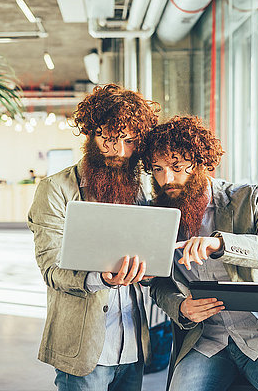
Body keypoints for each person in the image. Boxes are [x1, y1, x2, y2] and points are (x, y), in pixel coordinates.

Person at [141, 115, 258, 391]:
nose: (167, 179)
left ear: (200, 163)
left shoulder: (248, 197)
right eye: (158, 169)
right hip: (206, 341)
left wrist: (220, 245)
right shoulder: (155, 214)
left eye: (177, 166)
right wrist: (180, 307)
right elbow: (158, 284)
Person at [28, 84, 161, 390]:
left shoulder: (141, 190)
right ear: (90, 134)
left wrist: (151, 271)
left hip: (133, 347)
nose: (119, 151)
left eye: (129, 141)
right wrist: (102, 278)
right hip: (84, 349)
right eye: (108, 139)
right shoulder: (55, 189)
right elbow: (51, 269)